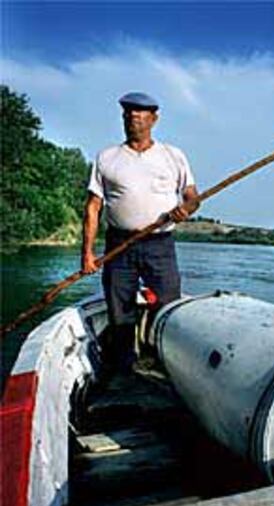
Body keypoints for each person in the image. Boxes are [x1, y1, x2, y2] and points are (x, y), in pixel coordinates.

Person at [81, 92, 199, 374]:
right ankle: (124, 368)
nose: (133, 119)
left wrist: (186, 209)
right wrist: (87, 253)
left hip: (160, 245)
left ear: (154, 119)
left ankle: (164, 364)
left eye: (140, 115)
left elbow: (193, 196)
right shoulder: (107, 157)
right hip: (119, 245)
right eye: (128, 115)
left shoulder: (173, 155)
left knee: (170, 305)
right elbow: (93, 207)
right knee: (119, 308)